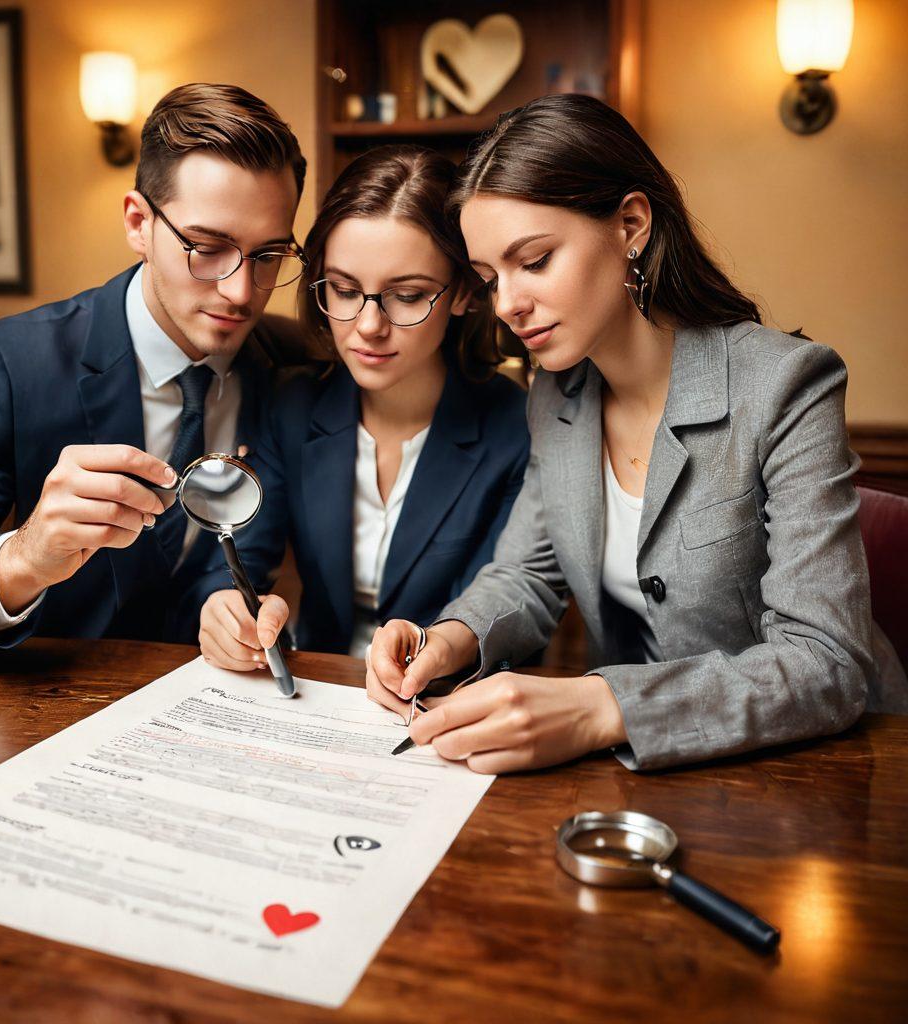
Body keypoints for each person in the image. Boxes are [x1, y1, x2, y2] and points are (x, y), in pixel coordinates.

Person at [366, 93, 908, 773]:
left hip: (828, 770)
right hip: (650, 778)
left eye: (533, 261)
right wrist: (448, 638)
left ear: (630, 224)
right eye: (488, 277)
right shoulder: (554, 397)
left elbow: (825, 662)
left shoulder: (786, 384)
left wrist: (601, 706)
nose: (507, 303)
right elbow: (527, 576)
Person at [0, 83, 306, 653]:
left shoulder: (290, 365)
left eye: (270, 255)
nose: (241, 292)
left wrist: (231, 610)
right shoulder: (13, 365)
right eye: (207, 247)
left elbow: (238, 560)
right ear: (138, 223)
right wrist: (23, 559)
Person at [196, 145, 528, 665]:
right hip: (316, 688)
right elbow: (243, 558)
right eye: (345, 290)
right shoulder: (291, 404)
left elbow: (507, 604)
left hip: (448, 696)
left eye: (409, 295)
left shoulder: (516, 427)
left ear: (463, 291)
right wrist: (225, 608)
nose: (369, 326)